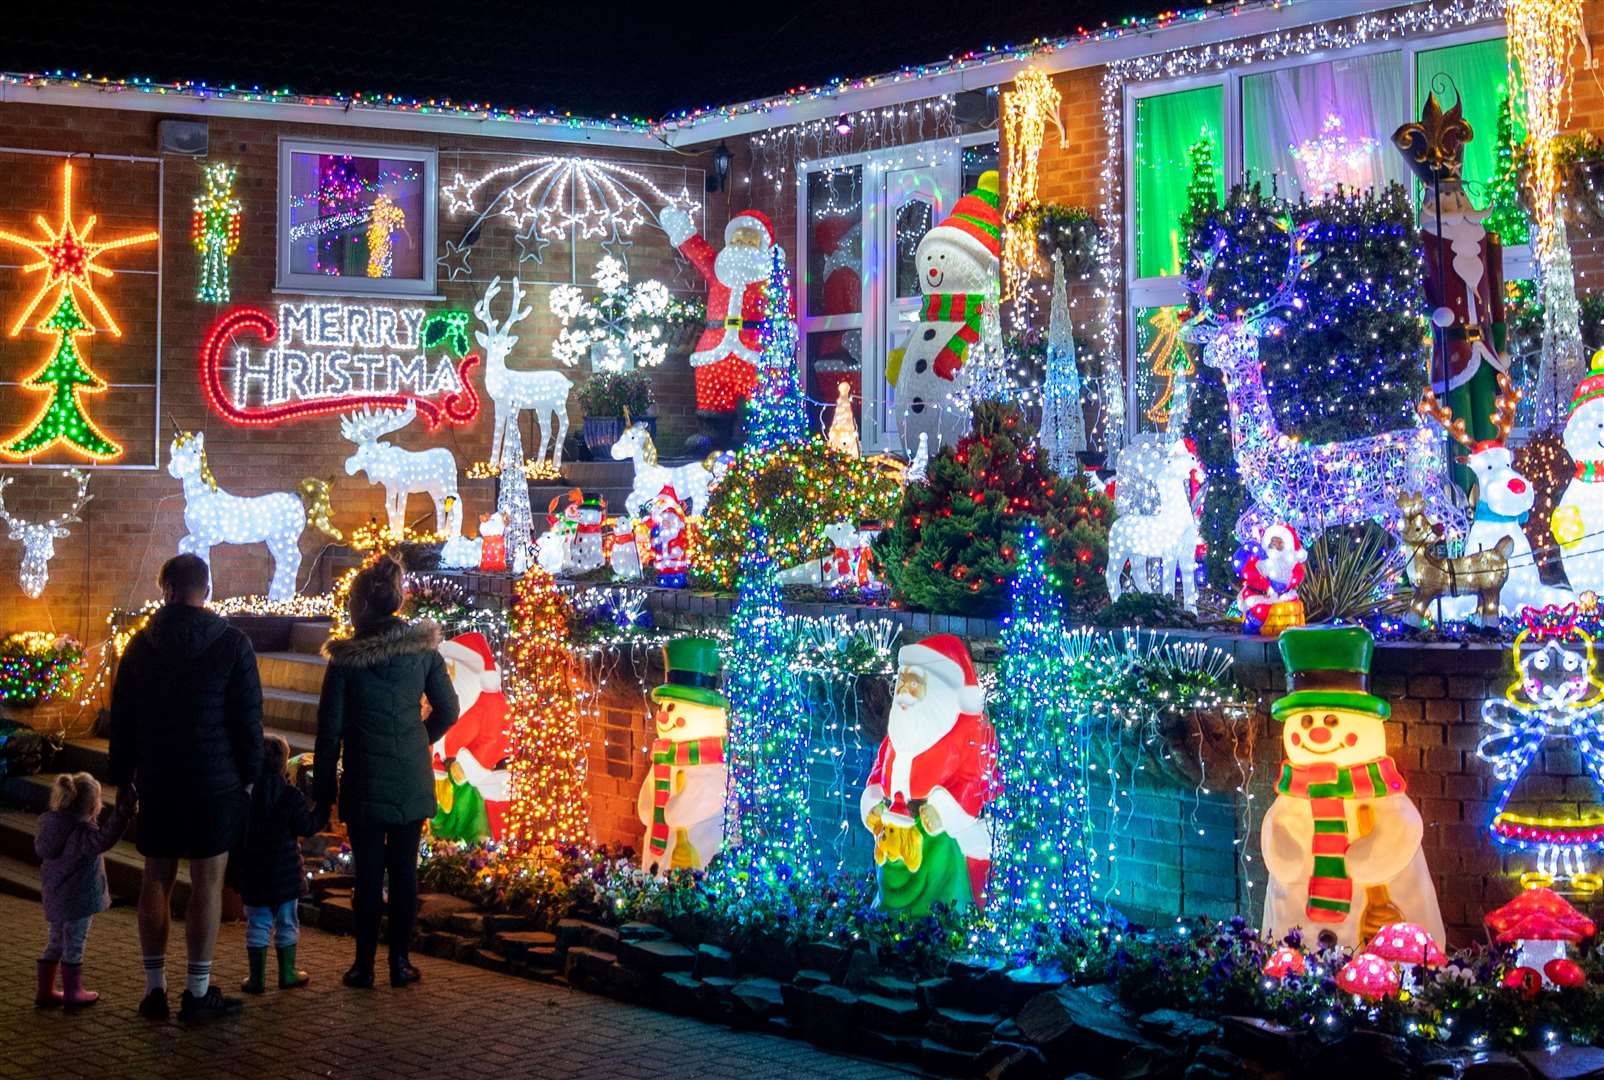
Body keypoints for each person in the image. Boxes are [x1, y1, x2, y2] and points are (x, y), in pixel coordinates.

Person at [108, 553, 263, 1022]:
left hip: (158, 776)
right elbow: (247, 720)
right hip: (215, 782)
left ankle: (154, 989)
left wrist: (123, 776)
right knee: (207, 882)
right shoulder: (233, 644)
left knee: (156, 875)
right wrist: (250, 775)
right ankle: (197, 992)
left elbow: (124, 718)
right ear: (207, 588)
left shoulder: (140, 646)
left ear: (166, 588)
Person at [315, 556, 458, 989]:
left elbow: (329, 731)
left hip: (364, 777)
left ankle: (363, 965)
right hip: (411, 776)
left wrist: (323, 791)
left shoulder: (345, 661)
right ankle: (400, 962)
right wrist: (419, 740)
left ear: (361, 605)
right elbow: (449, 709)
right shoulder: (423, 651)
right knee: (404, 871)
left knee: (369, 873)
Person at [34, 773, 135, 1008]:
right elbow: (106, 837)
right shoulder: (82, 833)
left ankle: (45, 990)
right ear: (93, 806)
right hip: (78, 899)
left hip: (56, 898)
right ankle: (73, 991)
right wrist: (124, 811)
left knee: (56, 940)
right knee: (75, 943)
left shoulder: (51, 826)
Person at [237, 734, 326, 994]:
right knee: (287, 922)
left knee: (258, 923)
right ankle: (287, 971)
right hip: (285, 875)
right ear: (284, 764)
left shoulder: (246, 796)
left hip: (254, 874)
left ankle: (256, 978)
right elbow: (306, 826)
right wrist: (322, 807)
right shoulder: (290, 795)